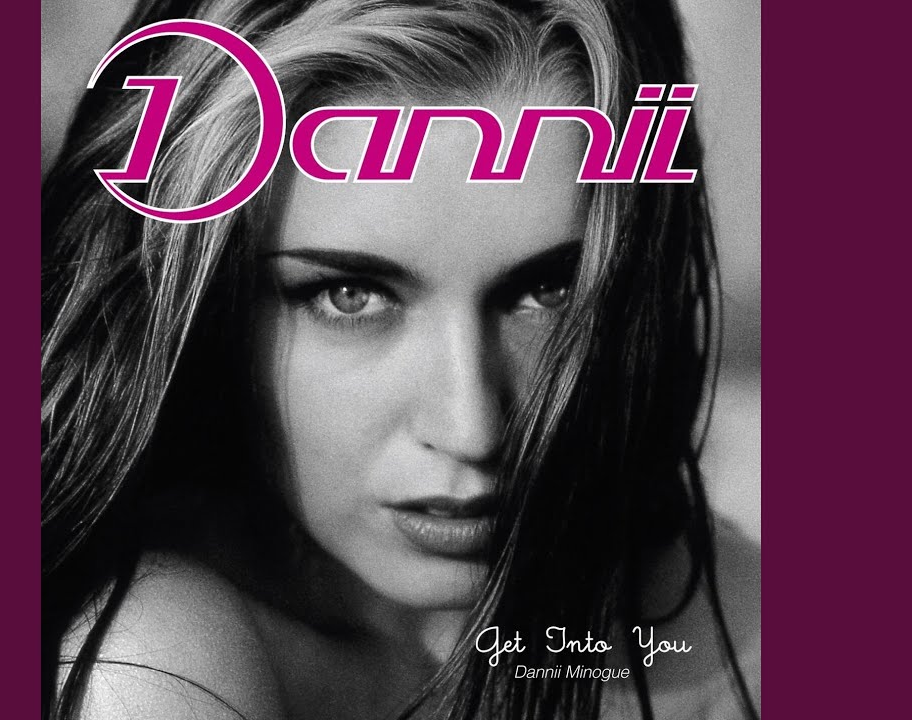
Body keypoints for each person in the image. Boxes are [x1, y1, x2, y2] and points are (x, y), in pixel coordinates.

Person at [41, 1, 760, 718]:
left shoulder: (712, 614)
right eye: (349, 295)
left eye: (550, 289)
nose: (472, 430)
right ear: (209, 308)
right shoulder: (153, 661)